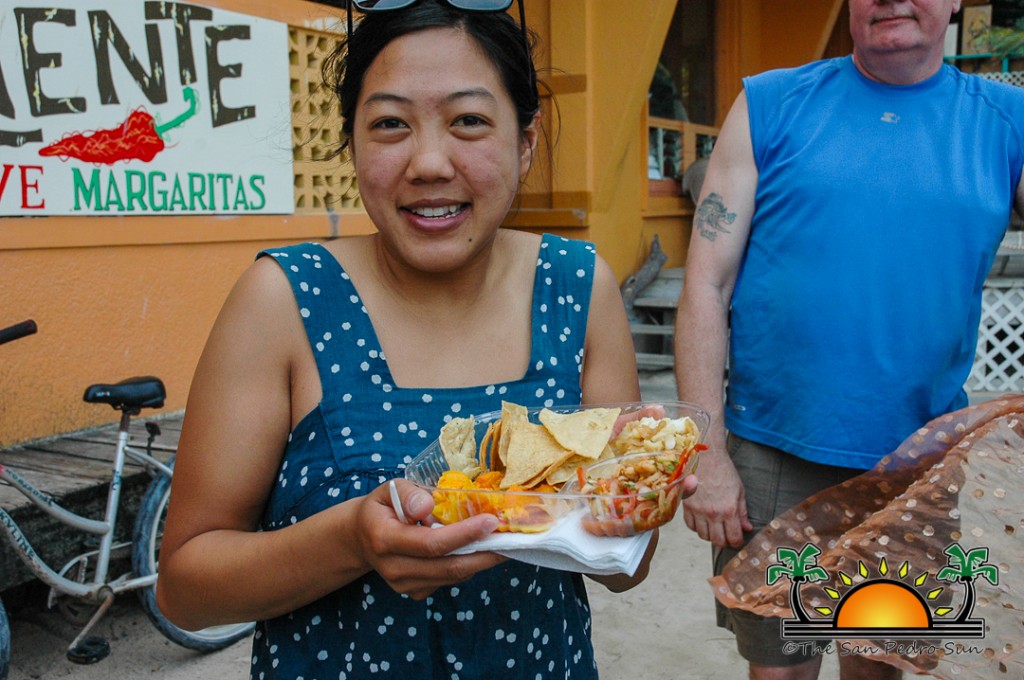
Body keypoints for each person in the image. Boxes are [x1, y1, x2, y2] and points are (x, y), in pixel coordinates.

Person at [156, 2, 689, 679]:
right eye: (389, 125)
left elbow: (625, 571)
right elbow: (185, 589)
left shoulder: (579, 289)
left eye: (468, 121)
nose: (429, 162)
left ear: (526, 140)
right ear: (351, 142)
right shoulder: (283, 300)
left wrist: (639, 497)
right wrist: (352, 540)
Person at [674, 1, 1024, 678]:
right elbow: (705, 287)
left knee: (877, 663)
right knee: (781, 666)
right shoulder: (770, 103)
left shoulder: (1007, 121)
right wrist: (704, 448)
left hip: (914, 464)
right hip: (773, 452)